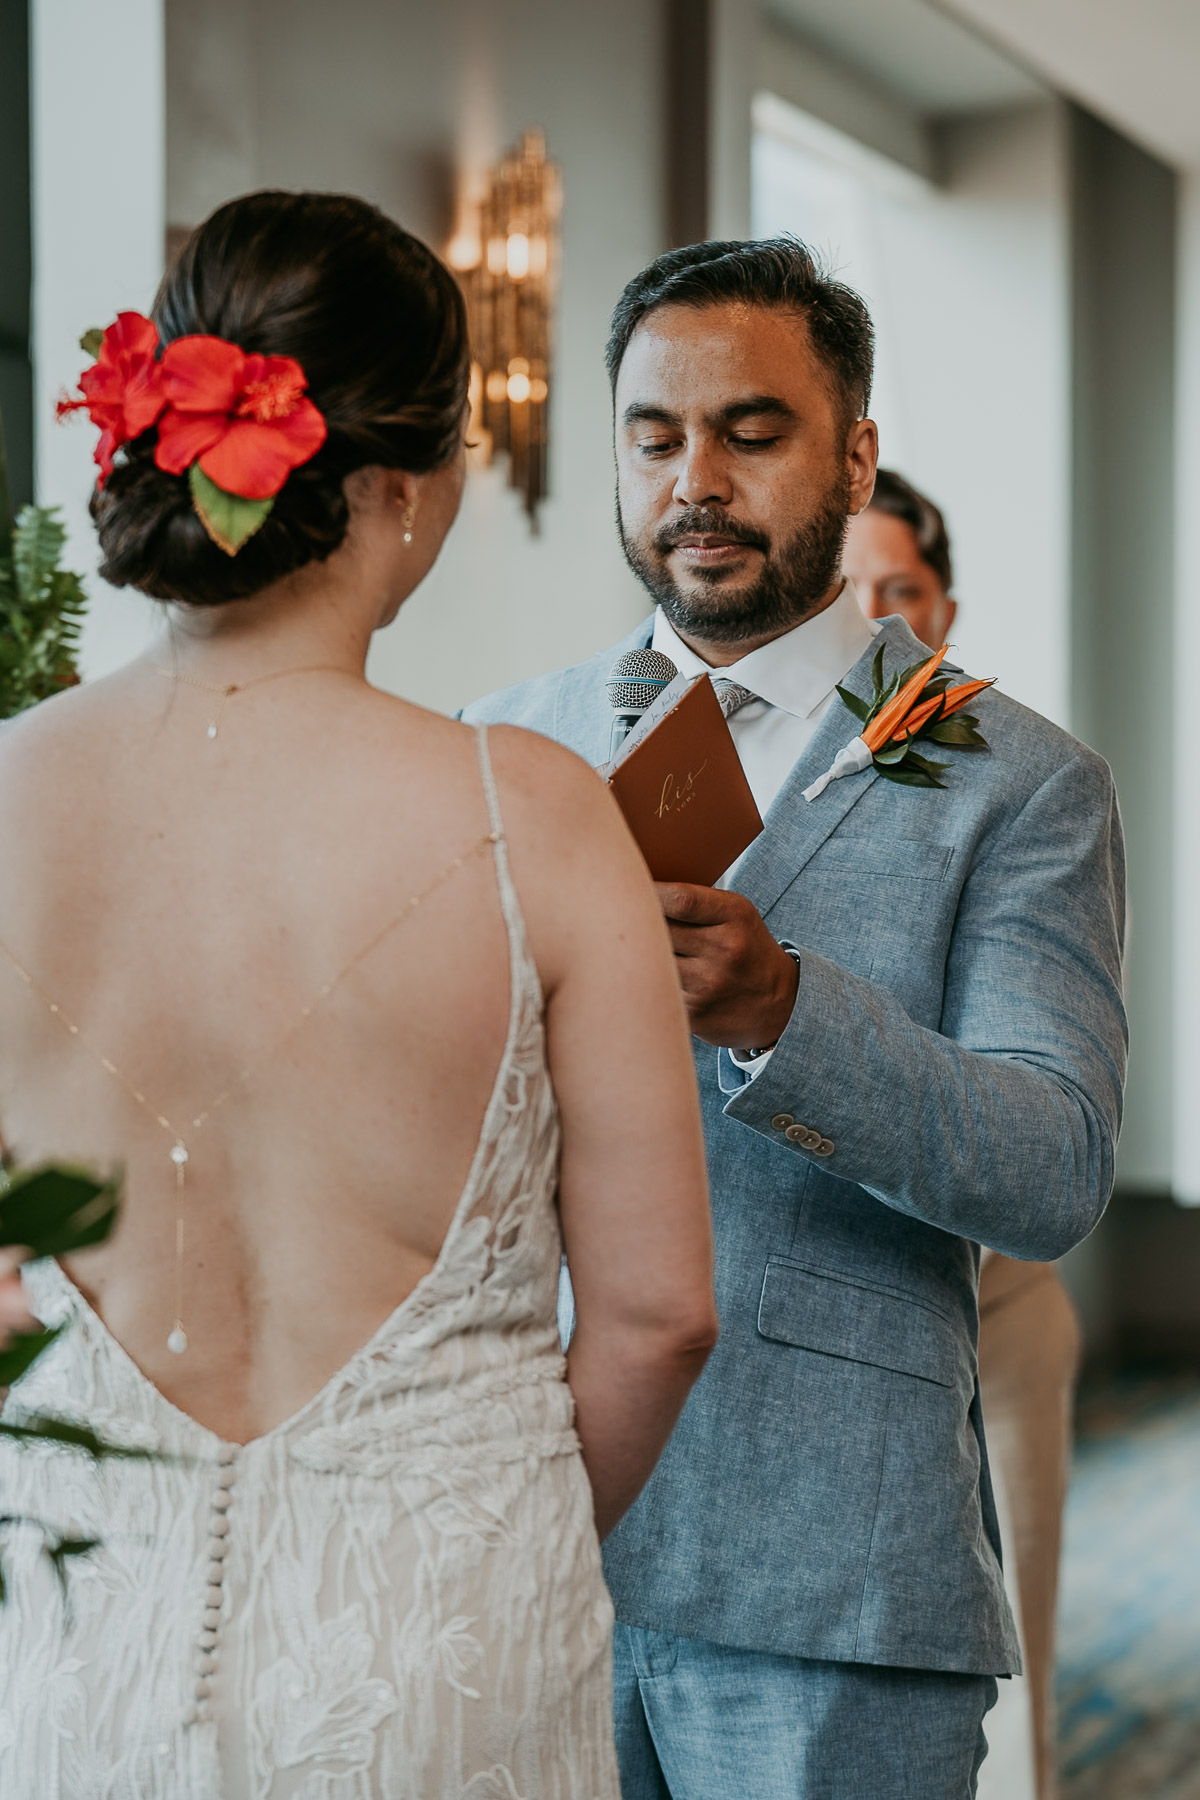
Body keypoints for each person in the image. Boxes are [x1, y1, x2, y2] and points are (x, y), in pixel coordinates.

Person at [0, 191, 718, 1798]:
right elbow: (663, 1315)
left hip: (70, 1645)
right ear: (405, 484)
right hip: (445, 1647)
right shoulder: (531, 813)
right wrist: (486, 1513)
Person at [464, 238, 1127, 1800]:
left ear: (855, 452)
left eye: (750, 432)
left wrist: (782, 1009)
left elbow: (1055, 1165)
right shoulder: (500, 745)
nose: (695, 478)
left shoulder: (1021, 782)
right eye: (653, 437)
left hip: (834, 1578)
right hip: (519, 1542)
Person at [845, 469, 1084, 1800]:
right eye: (852, 599)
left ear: (943, 615)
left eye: (902, 597)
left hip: (1000, 1308)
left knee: (1019, 1673)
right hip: (847, 1313)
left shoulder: (1021, 789)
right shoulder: (776, 782)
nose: (877, 626)